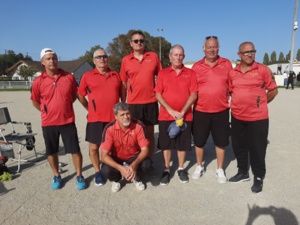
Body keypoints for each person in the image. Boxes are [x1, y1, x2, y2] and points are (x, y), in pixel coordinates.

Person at [31, 48, 86, 190]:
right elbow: (35, 101)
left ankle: (79, 175)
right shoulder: (38, 81)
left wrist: (65, 106)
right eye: (48, 59)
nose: (52, 61)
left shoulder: (69, 77)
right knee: (51, 151)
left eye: (54, 58)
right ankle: (56, 175)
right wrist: (46, 111)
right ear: (42, 62)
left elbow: (74, 95)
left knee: (75, 150)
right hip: (49, 123)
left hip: (67, 121)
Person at [228, 42, 278, 193]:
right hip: (237, 116)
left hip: (258, 118)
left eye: (252, 51)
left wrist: (260, 102)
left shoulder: (262, 70)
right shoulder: (233, 72)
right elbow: (231, 91)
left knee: (257, 149)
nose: (250, 54)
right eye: (246, 52)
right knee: (239, 147)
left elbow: (273, 90)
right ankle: (243, 172)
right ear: (239, 55)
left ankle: (258, 177)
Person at [191, 36, 232, 183]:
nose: (212, 50)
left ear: (218, 48)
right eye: (209, 47)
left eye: (214, 47)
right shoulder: (197, 66)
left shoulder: (226, 64)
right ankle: (199, 166)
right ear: (204, 49)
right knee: (199, 141)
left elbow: (233, 85)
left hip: (221, 110)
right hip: (201, 110)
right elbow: (191, 89)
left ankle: (220, 169)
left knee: (221, 141)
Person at [155, 45, 198, 185]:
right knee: (166, 145)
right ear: (170, 56)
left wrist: (183, 112)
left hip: (185, 116)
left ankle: (180, 168)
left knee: (182, 144)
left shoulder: (190, 73)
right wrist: (171, 111)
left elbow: (193, 94)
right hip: (166, 116)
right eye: (176, 55)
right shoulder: (163, 73)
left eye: (181, 55)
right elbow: (158, 94)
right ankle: (166, 169)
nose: (178, 57)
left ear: (183, 57)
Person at [78, 48, 121, 186]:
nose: (102, 59)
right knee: (94, 147)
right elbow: (80, 95)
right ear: (94, 60)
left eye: (104, 56)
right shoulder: (87, 75)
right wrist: (89, 108)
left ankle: (112, 168)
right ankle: (98, 172)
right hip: (95, 119)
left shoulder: (116, 75)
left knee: (114, 147)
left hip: (113, 119)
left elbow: (123, 95)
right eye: (99, 57)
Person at [120, 30, 162, 159]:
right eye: (136, 41)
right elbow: (123, 83)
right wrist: (123, 103)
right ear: (131, 44)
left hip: (150, 102)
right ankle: (136, 161)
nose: (139, 43)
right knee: (134, 134)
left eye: (141, 41)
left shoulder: (153, 56)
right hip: (133, 103)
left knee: (149, 134)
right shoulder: (126, 60)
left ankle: (149, 161)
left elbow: (161, 78)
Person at [100, 102, 151, 192]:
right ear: (116, 116)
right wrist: (121, 168)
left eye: (127, 113)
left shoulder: (139, 125)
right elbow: (104, 155)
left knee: (147, 164)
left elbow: (145, 150)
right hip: (117, 158)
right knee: (105, 170)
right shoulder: (109, 129)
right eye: (122, 115)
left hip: (133, 157)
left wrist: (133, 165)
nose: (126, 117)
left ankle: (136, 177)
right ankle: (116, 180)